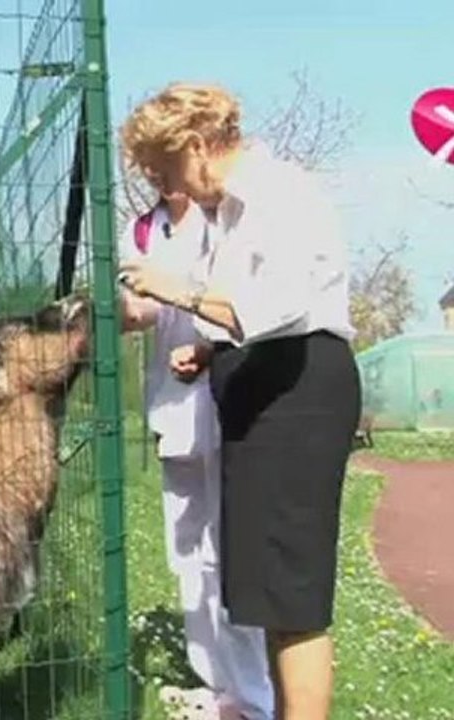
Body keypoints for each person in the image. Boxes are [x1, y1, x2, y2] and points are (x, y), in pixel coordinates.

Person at [117, 82, 360, 720]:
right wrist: (209, 350)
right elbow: (245, 317)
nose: (165, 185)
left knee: (293, 596)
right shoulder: (228, 213)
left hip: (298, 393)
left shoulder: (279, 194)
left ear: (196, 147)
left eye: (164, 170)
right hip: (259, 387)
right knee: (272, 598)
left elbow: (279, 305)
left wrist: (178, 291)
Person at [118, 189, 274, 720]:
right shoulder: (144, 229)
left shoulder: (226, 219)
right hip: (173, 402)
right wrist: (114, 310)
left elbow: (246, 308)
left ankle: (255, 696)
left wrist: (208, 351)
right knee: (186, 551)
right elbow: (139, 312)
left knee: (228, 551)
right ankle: (217, 685)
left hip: (225, 396)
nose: (158, 176)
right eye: (148, 166)